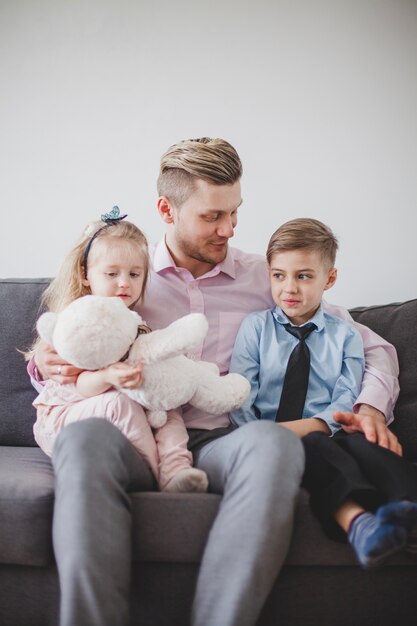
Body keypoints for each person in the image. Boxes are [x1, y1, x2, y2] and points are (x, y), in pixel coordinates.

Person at [30, 138, 401, 626]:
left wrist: (372, 406)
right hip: (138, 434)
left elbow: (372, 345)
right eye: (212, 216)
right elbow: (72, 329)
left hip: (227, 438)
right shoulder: (128, 271)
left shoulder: (262, 276)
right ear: (167, 208)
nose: (228, 228)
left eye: (234, 213)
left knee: (274, 445)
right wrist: (46, 358)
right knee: (83, 438)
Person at [230, 217, 417, 569]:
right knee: (317, 448)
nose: (290, 288)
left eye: (304, 276)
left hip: (328, 430)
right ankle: (360, 522)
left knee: (365, 443)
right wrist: (268, 435)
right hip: (271, 438)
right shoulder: (255, 328)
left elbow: (345, 398)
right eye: (279, 275)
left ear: (329, 278)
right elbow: (240, 394)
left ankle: (407, 507)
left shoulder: (345, 335)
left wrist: (325, 424)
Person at [29, 210, 208, 493]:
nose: (124, 282)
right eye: (112, 273)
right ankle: (156, 477)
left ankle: (177, 470)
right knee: (118, 404)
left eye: (134, 274)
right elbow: (79, 385)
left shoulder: (135, 324)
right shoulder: (79, 324)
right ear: (85, 275)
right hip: (66, 418)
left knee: (168, 408)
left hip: (115, 419)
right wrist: (110, 376)